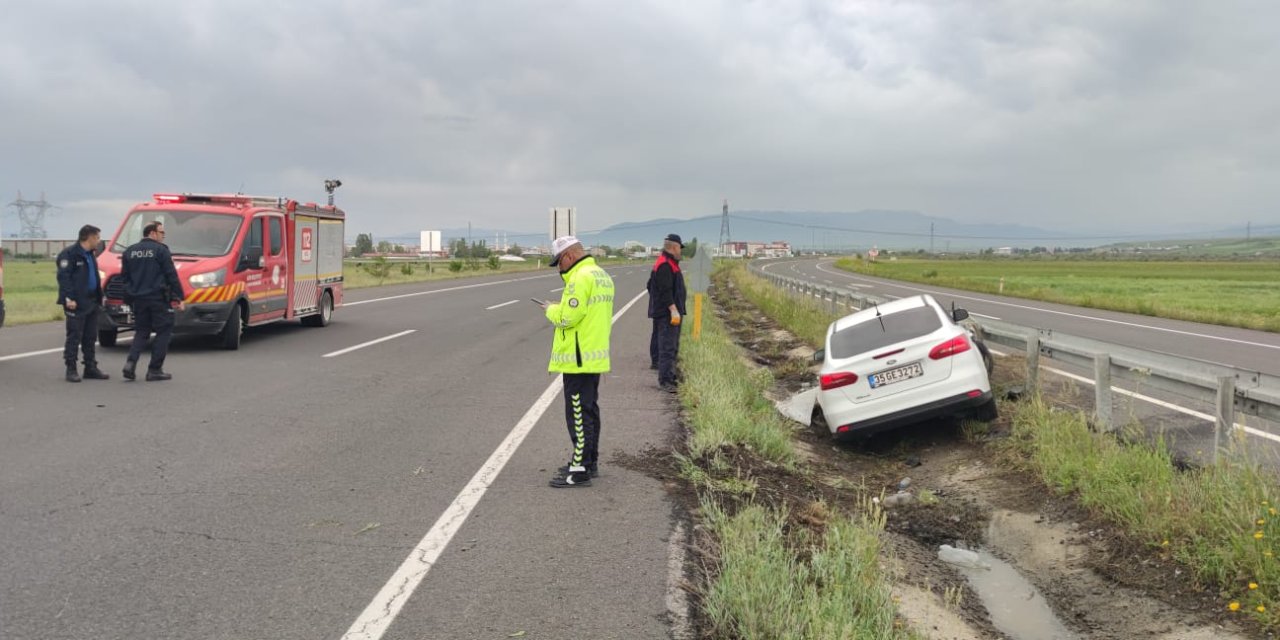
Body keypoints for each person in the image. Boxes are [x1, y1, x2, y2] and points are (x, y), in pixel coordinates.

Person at [541, 236, 615, 488]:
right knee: (590, 410)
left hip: (578, 357)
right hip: (593, 354)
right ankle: (589, 462)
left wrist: (551, 309)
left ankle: (580, 469)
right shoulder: (601, 275)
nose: (559, 269)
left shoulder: (579, 278)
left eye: (559, 263)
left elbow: (568, 318)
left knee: (578, 414)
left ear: (569, 256)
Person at [121, 221, 185, 381]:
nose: (163, 236)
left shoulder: (130, 251)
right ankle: (155, 369)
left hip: (139, 299)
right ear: (152, 233)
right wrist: (179, 297)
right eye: (161, 232)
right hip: (158, 299)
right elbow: (171, 275)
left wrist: (129, 298)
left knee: (142, 331)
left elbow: (125, 278)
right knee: (164, 331)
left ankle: (130, 363)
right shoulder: (161, 251)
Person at [56, 225, 109, 382]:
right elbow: (64, 278)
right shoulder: (69, 254)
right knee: (74, 336)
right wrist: (69, 298)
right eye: (98, 238)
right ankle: (71, 368)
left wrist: (101, 296)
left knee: (90, 336)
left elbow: (94, 277)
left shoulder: (90, 254)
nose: (99, 241)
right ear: (89, 237)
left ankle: (90, 367)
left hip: (91, 300)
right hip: (76, 302)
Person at [647, 233, 686, 392]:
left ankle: (671, 376)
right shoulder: (665, 265)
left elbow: (650, 285)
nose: (680, 252)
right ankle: (666, 380)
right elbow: (665, 290)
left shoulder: (670, 263)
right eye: (679, 248)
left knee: (672, 345)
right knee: (667, 346)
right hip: (668, 313)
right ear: (674, 247)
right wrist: (673, 309)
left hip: (668, 312)